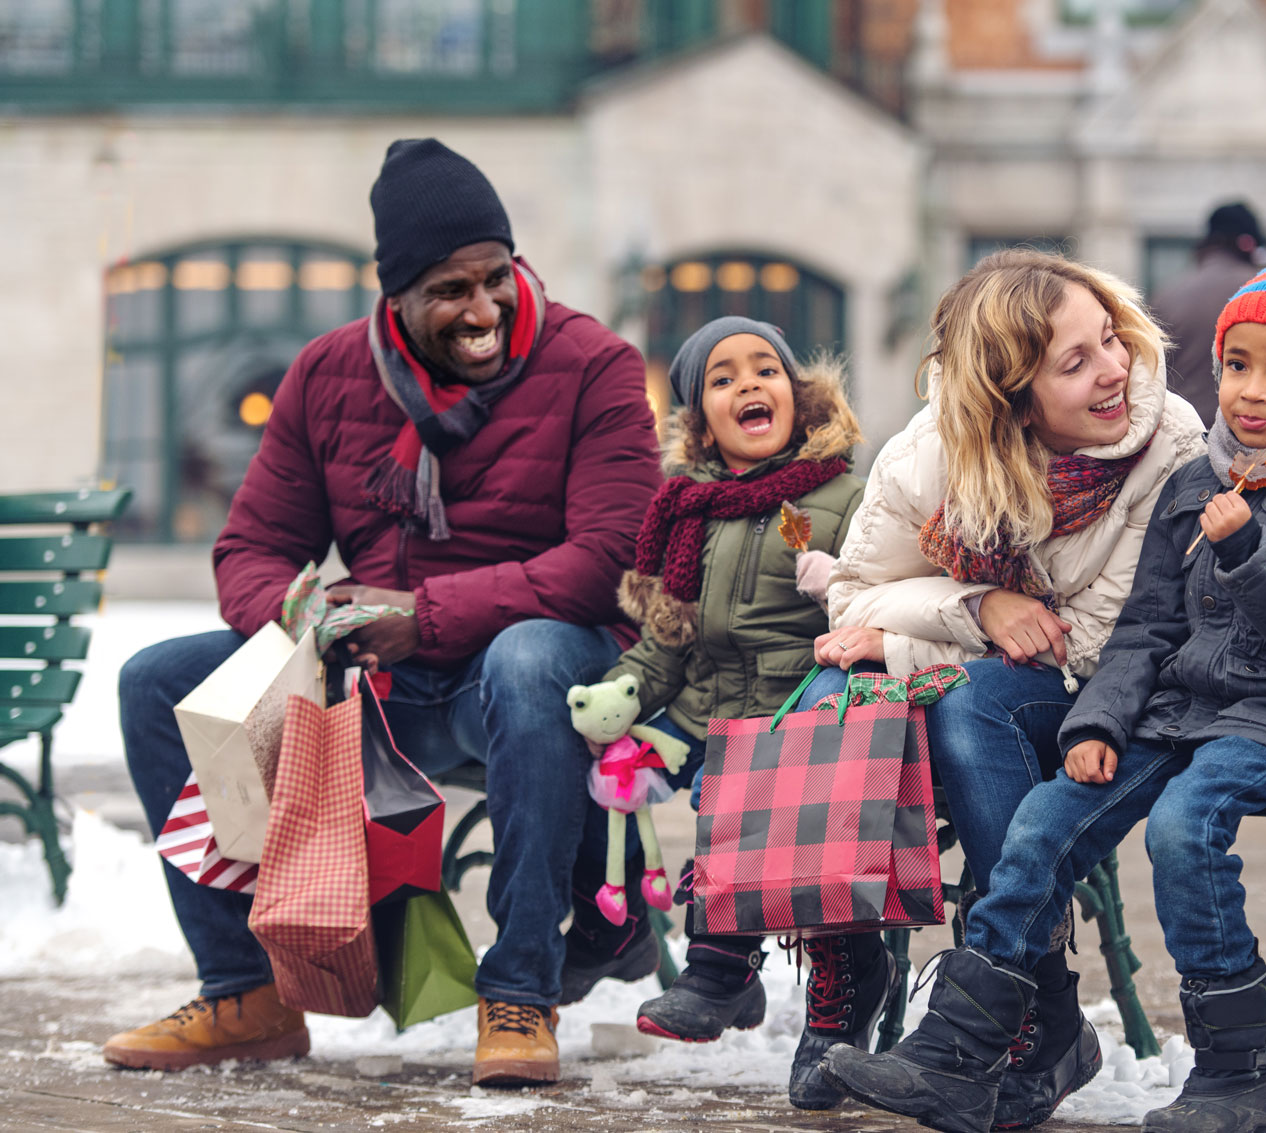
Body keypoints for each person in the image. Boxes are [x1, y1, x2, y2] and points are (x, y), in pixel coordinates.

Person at [819, 255, 1266, 1133]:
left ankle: (1238, 1074)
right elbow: (1143, 630)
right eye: (1237, 365)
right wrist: (1098, 722)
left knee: (1186, 827)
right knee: (1043, 821)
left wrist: (1254, 553)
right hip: (1177, 716)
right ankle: (957, 1050)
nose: (1252, 392)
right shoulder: (1201, 480)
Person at [102, 138, 665, 1087]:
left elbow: (610, 561)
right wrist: (299, 626)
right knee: (157, 681)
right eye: (452, 289)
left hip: (528, 680)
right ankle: (249, 995)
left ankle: (520, 991)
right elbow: (250, 548)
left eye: (496, 277)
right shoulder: (327, 376)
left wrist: (426, 613)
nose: (483, 310)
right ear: (396, 293)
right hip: (378, 689)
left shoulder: (594, 365)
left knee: (528, 658)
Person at [807, 248, 1207, 1129]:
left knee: (972, 699)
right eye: (1077, 361)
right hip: (999, 677)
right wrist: (978, 604)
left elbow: (1098, 644)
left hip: (1119, 703)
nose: (1116, 370)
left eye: (1110, 338)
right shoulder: (934, 454)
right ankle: (1025, 1012)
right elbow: (850, 599)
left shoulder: (1166, 443)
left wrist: (920, 638)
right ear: (1008, 396)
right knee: (903, 696)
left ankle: (1017, 1020)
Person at [578, 316, 870, 1114]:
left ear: (798, 392)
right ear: (700, 419)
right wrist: (626, 691)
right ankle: (602, 938)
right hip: (710, 713)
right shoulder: (689, 514)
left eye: (765, 368)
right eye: (723, 378)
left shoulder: (844, 493)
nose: (748, 384)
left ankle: (720, 968)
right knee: (610, 771)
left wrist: (840, 589)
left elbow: (881, 599)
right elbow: (668, 641)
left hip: (806, 711)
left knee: (734, 784)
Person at [1149, 201, 1265, 427]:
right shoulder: (1264, 289)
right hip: (1248, 434)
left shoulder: (1167, 295)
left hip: (1182, 438)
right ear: (1249, 246)